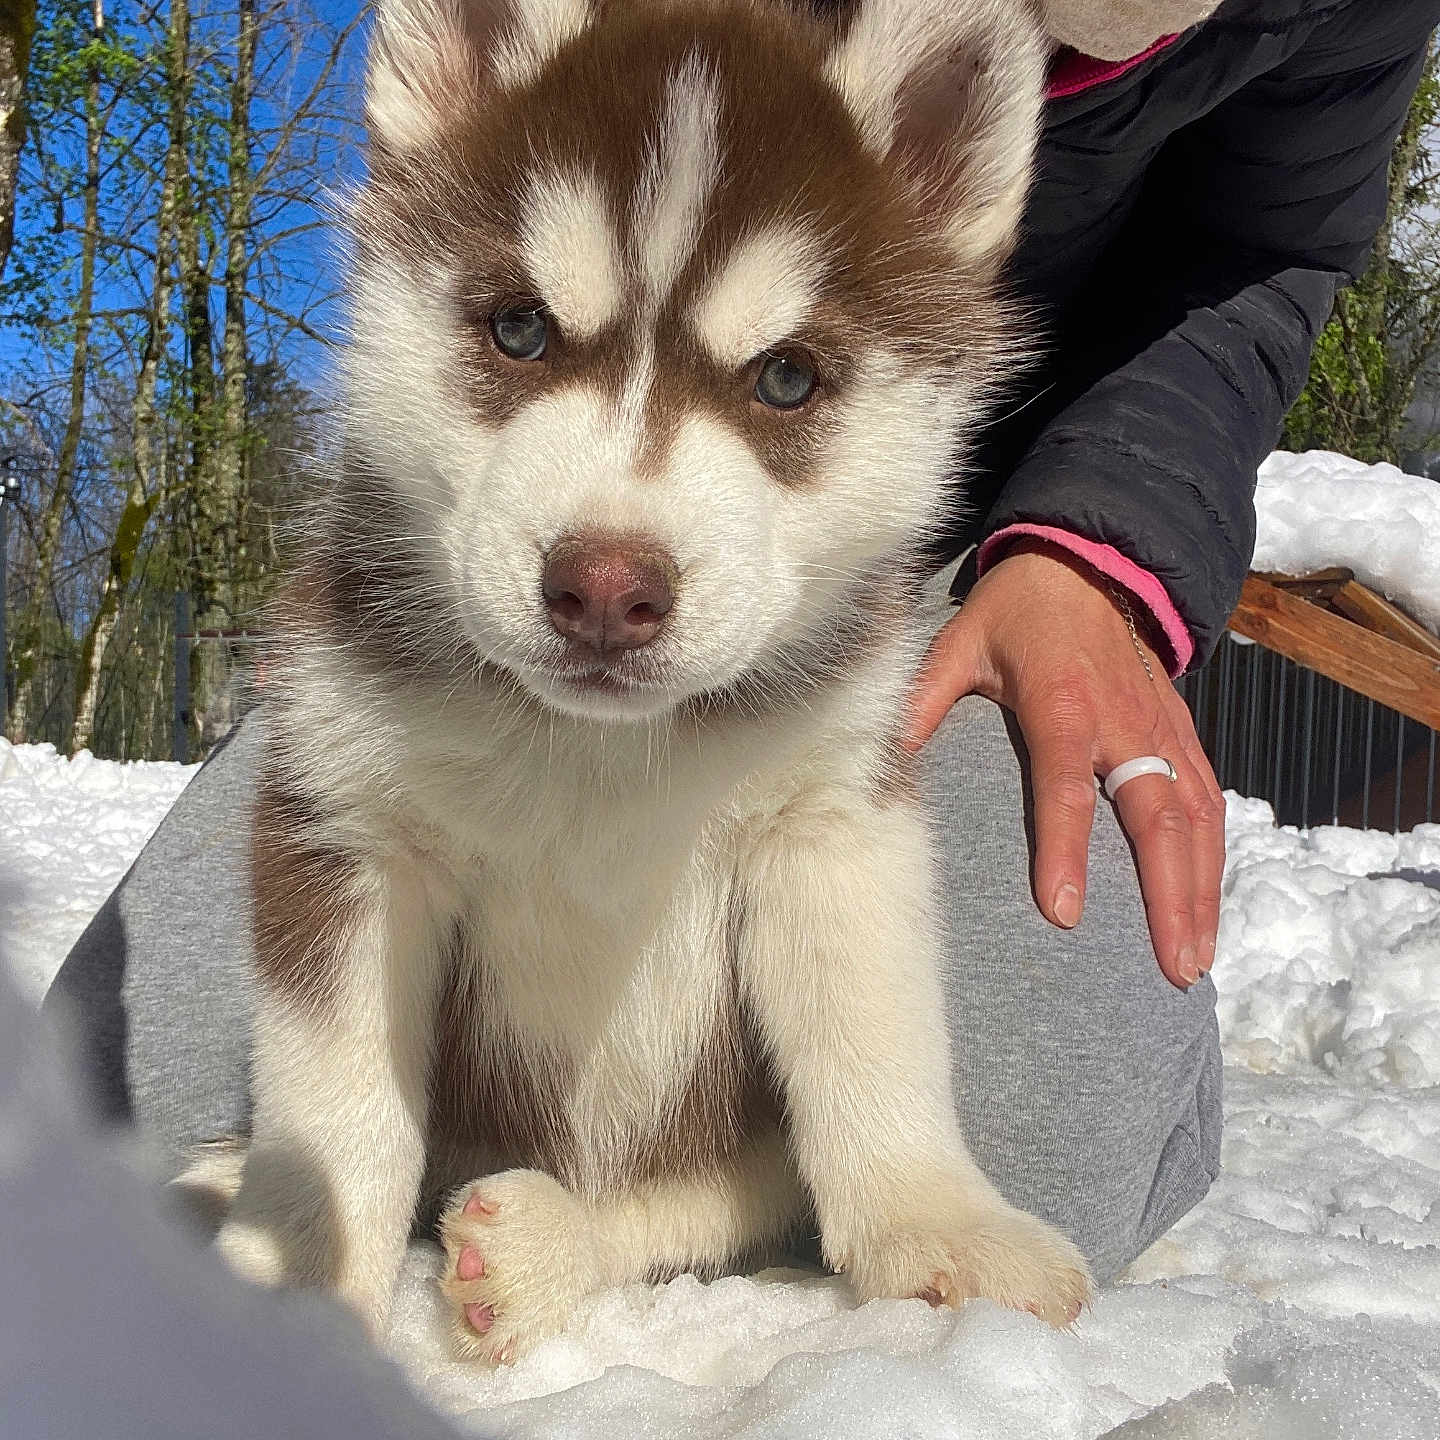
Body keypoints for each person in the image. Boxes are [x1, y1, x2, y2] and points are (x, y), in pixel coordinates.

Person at [44, 0, 1440, 1304]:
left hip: (910, 556)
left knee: (1045, 1142)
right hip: (457, 609)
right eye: (520, 330)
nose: (613, 549)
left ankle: (622, 1228)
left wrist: (1097, 554)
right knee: (114, 1097)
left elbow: (1271, 244)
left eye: (782, 375)